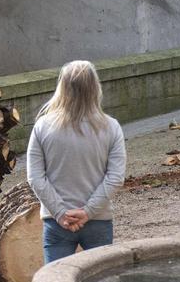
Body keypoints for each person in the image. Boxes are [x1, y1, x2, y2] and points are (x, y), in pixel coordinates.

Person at [27, 60, 127, 263]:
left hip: (57, 222)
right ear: (95, 87)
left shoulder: (42, 127)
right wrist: (88, 212)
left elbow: (35, 178)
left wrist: (61, 212)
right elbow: (115, 178)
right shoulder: (112, 127)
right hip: (98, 220)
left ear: (62, 87)